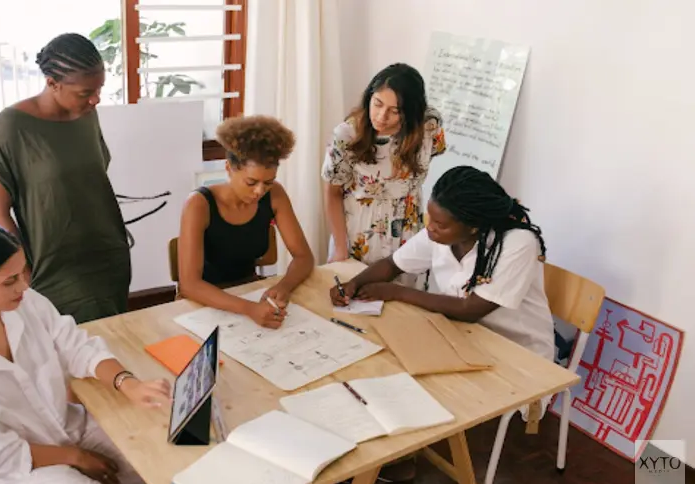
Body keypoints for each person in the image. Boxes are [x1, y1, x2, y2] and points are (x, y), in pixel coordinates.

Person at [0, 220, 172, 484]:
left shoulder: (24, 302)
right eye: (10, 281)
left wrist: (127, 383)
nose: (24, 286)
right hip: (9, 475)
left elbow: (76, 346)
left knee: (165, 465)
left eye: (23, 272)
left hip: (64, 428)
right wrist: (76, 457)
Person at [331, 165, 555, 362]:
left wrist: (396, 292)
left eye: (440, 224)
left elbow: (470, 310)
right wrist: (353, 283)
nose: (429, 227)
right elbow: (392, 264)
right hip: (463, 337)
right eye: (430, 218)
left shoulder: (517, 243)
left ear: (473, 226)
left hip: (519, 354)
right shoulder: (441, 234)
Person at [0, 33, 130, 324]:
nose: (95, 99)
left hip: (108, 254)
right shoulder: (12, 126)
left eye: (99, 89)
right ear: (52, 83)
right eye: (85, 92)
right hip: (53, 265)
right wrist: (21, 269)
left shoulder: (86, 114)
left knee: (111, 342)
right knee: (64, 351)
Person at [178, 115, 314, 329]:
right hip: (204, 302)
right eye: (251, 182)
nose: (260, 191)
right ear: (229, 168)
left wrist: (284, 286)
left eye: (268, 182)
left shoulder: (275, 195)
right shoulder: (199, 204)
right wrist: (249, 309)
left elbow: (304, 256)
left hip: (249, 291)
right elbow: (189, 285)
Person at [322, 62, 447, 287]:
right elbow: (332, 193)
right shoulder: (347, 135)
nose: (381, 116)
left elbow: (430, 156)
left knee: (404, 310)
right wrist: (341, 248)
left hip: (408, 234)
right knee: (352, 302)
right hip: (360, 235)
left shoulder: (429, 127)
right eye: (377, 104)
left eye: (395, 110)